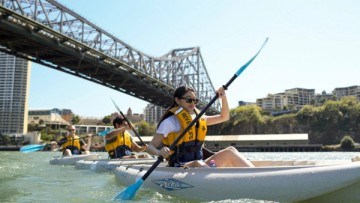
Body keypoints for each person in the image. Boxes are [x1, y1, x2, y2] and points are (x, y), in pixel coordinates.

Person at [147, 85, 255, 167]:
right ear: (177, 100)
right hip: (180, 166)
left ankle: (255, 175)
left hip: (199, 164)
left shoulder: (199, 118)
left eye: (195, 100)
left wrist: (223, 97)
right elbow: (150, 147)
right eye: (189, 99)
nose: (193, 103)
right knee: (201, 162)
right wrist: (159, 152)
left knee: (231, 150)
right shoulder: (170, 122)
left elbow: (224, 117)